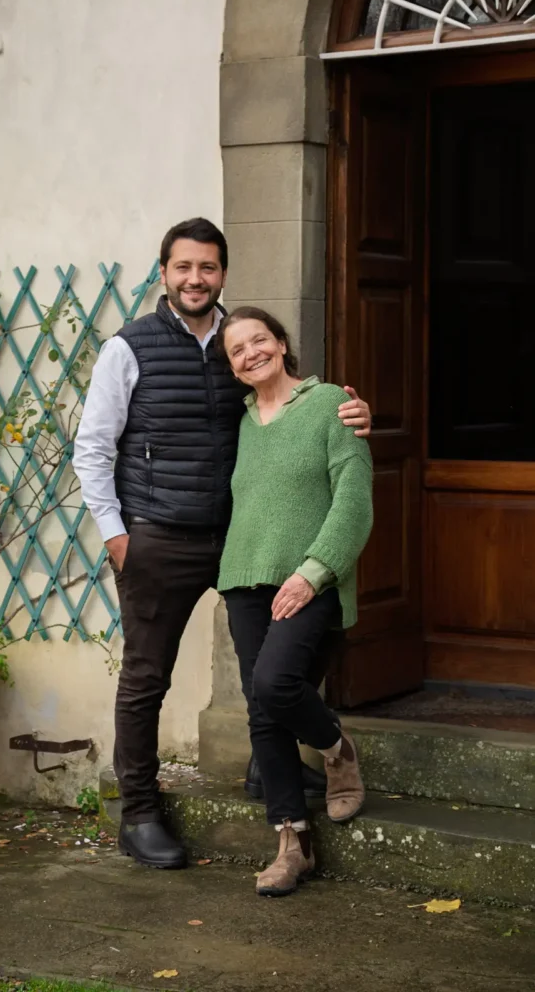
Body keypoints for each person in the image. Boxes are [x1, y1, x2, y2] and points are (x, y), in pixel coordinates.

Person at [72, 218, 372, 870]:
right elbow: (92, 447)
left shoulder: (240, 339)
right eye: (183, 267)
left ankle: (272, 773)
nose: (195, 279)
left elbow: (290, 408)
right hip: (160, 536)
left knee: (275, 663)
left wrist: (351, 411)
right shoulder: (130, 348)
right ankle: (140, 812)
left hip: (241, 539)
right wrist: (118, 535)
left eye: (207, 268)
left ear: (223, 274)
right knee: (146, 677)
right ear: (163, 273)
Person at [215, 306, 373, 898]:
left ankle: (337, 749)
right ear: (232, 368)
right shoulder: (241, 422)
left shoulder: (332, 404)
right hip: (243, 578)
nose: (251, 353)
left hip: (311, 580)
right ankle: (291, 842)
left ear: (282, 344)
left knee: (277, 684)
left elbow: (354, 503)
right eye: (237, 350)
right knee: (262, 709)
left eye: (259, 340)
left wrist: (313, 573)